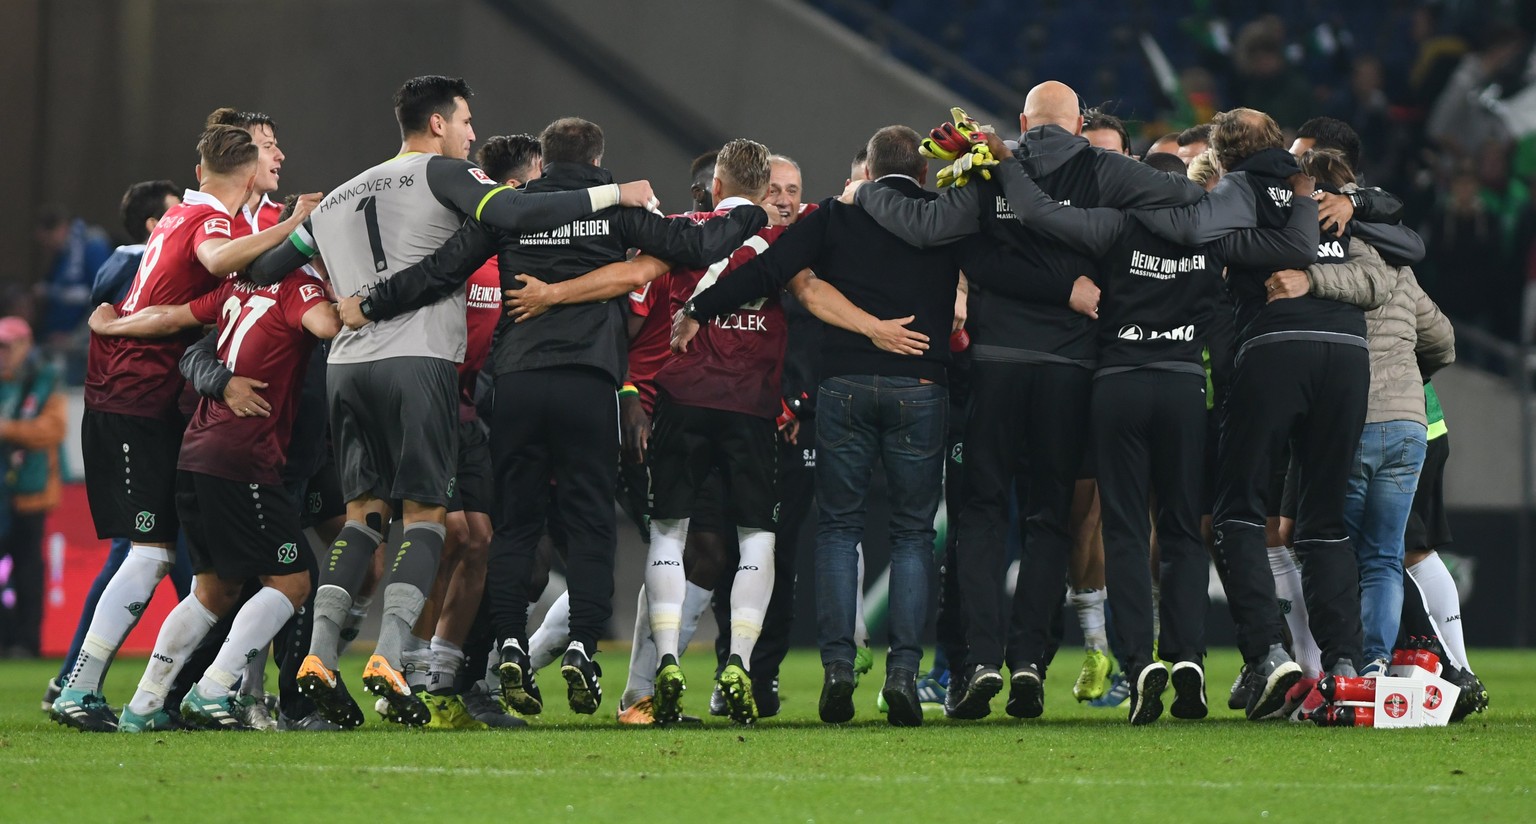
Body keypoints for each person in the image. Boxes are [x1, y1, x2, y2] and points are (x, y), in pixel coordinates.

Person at [244, 79, 656, 728]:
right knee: (428, 517)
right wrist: (613, 193)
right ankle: (388, 654)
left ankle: (320, 656)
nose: (471, 133)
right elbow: (516, 214)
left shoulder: (343, 194)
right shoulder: (445, 174)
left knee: (361, 519)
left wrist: (300, 227)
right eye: (466, 120)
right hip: (418, 360)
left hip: (347, 367)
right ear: (436, 124)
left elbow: (262, 272)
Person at [333, 116, 762, 717]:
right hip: (588, 382)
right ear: (598, 157)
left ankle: (509, 639)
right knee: (589, 523)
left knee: (516, 525)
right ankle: (584, 647)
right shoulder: (617, 211)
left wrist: (371, 302)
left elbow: (442, 269)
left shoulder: (511, 211)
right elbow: (697, 246)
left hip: (517, 382)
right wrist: (751, 212)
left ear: (545, 161)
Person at [848, 81, 1204, 720]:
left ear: (1021, 121)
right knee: (1048, 521)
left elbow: (931, 228)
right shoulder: (1107, 171)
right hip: (1071, 369)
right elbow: (1184, 194)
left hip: (994, 366)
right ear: (1076, 125)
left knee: (982, 517)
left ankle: (981, 660)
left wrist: (868, 190)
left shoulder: (986, 165)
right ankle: (1031, 668)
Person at [978, 144, 1318, 723]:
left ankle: (1140, 665)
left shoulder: (1113, 224)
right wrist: (1306, 196)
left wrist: (1004, 163)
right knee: (1184, 529)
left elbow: (1041, 215)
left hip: (1118, 386)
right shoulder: (1213, 235)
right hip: (1184, 389)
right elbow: (1291, 246)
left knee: (1128, 532)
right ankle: (1187, 657)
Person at [677, 125, 958, 727]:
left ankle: (836, 669)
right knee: (911, 536)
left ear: (864, 174)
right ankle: (904, 674)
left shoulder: (832, 216)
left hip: (844, 387)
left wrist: (700, 308)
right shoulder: (945, 216)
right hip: (921, 385)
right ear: (924, 174)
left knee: (836, 531)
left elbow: (768, 269)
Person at [53, 125, 318, 732]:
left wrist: (116, 327)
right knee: (148, 554)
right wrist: (297, 229)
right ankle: (79, 687)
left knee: (179, 562)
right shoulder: (210, 223)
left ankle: (148, 695)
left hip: (142, 400)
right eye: (268, 152)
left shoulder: (179, 214)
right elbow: (219, 261)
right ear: (247, 175)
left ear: (200, 171)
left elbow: (180, 306)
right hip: (136, 400)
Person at [1136, 108, 1390, 719]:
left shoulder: (1232, 196)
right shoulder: (1323, 192)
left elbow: (1209, 244)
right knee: (1324, 521)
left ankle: (1267, 653)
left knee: (1239, 511)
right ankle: (1346, 664)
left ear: (1222, 160)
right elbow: (1402, 242)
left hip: (1274, 348)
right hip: (1349, 356)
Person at [87, 252, 340, 731]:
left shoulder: (235, 288)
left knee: (214, 590)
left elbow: (174, 319)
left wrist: (114, 326)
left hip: (197, 455)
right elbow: (327, 325)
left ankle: (142, 706)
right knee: (293, 581)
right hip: (243, 459)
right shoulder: (298, 288)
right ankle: (213, 690)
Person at [1294, 148, 1456, 676]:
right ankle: (1376, 665)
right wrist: (1413, 370)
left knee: (1335, 548)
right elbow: (1444, 341)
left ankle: (1331, 666)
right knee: (1386, 556)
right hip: (1409, 424)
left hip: (1353, 422)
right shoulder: (1399, 263)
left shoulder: (1321, 255)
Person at [0, 317, 66, 659]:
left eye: (7, 346)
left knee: (28, 571)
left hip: (31, 494)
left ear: (26, 346)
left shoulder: (45, 381)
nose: (2, 354)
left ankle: (26, 643)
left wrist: (7, 429)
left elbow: (53, 430)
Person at [33, 206, 112, 347]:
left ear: (61, 228)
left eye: (48, 240)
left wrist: (76, 338)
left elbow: (102, 298)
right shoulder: (63, 254)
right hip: (58, 337)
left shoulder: (93, 248)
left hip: (80, 341)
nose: (47, 247)